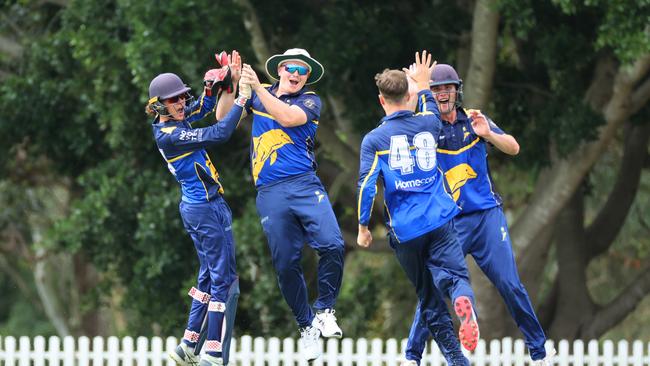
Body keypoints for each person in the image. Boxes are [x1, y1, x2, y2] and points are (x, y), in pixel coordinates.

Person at [402, 64, 554, 366]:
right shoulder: (425, 127)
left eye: (448, 88)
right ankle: (412, 356)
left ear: (457, 91)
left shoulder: (474, 118)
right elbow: (401, 117)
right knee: (432, 289)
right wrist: (414, 87)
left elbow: (513, 147)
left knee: (510, 284)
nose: (443, 94)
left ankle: (540, 352)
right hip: (449, 223)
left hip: (486, 216)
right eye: (436, 89)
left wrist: (488, 134)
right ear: (430, 95)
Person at [356, 51, 480, 366]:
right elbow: (425, 102)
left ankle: (456, 359)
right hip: (439, 219)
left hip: (406, 229)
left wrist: (363, 227)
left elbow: (367, 186)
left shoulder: (374, 139)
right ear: (409, 96)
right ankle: (463, 300)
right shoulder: (429, 121)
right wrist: (422, 81)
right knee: (455, 277)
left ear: (382, 100)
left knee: (428, 298)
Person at [227, 48, 345, 362]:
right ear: (280, 69)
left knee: (333, 244)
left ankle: (324, 310)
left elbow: (288, 117)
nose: (296, 74)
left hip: (304, 184)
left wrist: (258, 89)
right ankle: (307, 327)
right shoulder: (258, 94)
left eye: (302, 71)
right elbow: (222, 117)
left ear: (307, 77)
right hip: (270, 191)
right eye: (291, 67)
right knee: (285, 264)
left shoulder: (310, 100)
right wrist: (233, 84)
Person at [147, 51, 251, 366]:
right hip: (204, 209)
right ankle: (213, 351)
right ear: (158, 105)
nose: (181, 104)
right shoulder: (171, 135)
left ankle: (189, 345)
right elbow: (219, 133)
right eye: (173, 100)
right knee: (222, 279)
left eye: (182, 97)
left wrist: (219, 83)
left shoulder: (174, 120)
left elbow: (203, 107)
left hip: (202, 207)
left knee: (209, 276)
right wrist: (241, 100)